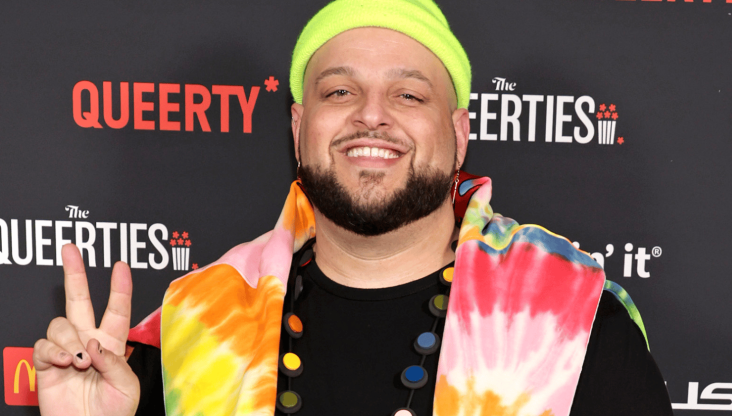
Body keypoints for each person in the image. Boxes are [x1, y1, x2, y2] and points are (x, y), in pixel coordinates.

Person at [33, 0, 674, 415]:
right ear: (298, 127)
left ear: (460, 134)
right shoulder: (192, 327)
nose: (372, 115)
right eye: (340, 91)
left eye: (409, 95)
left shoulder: (575, 323)